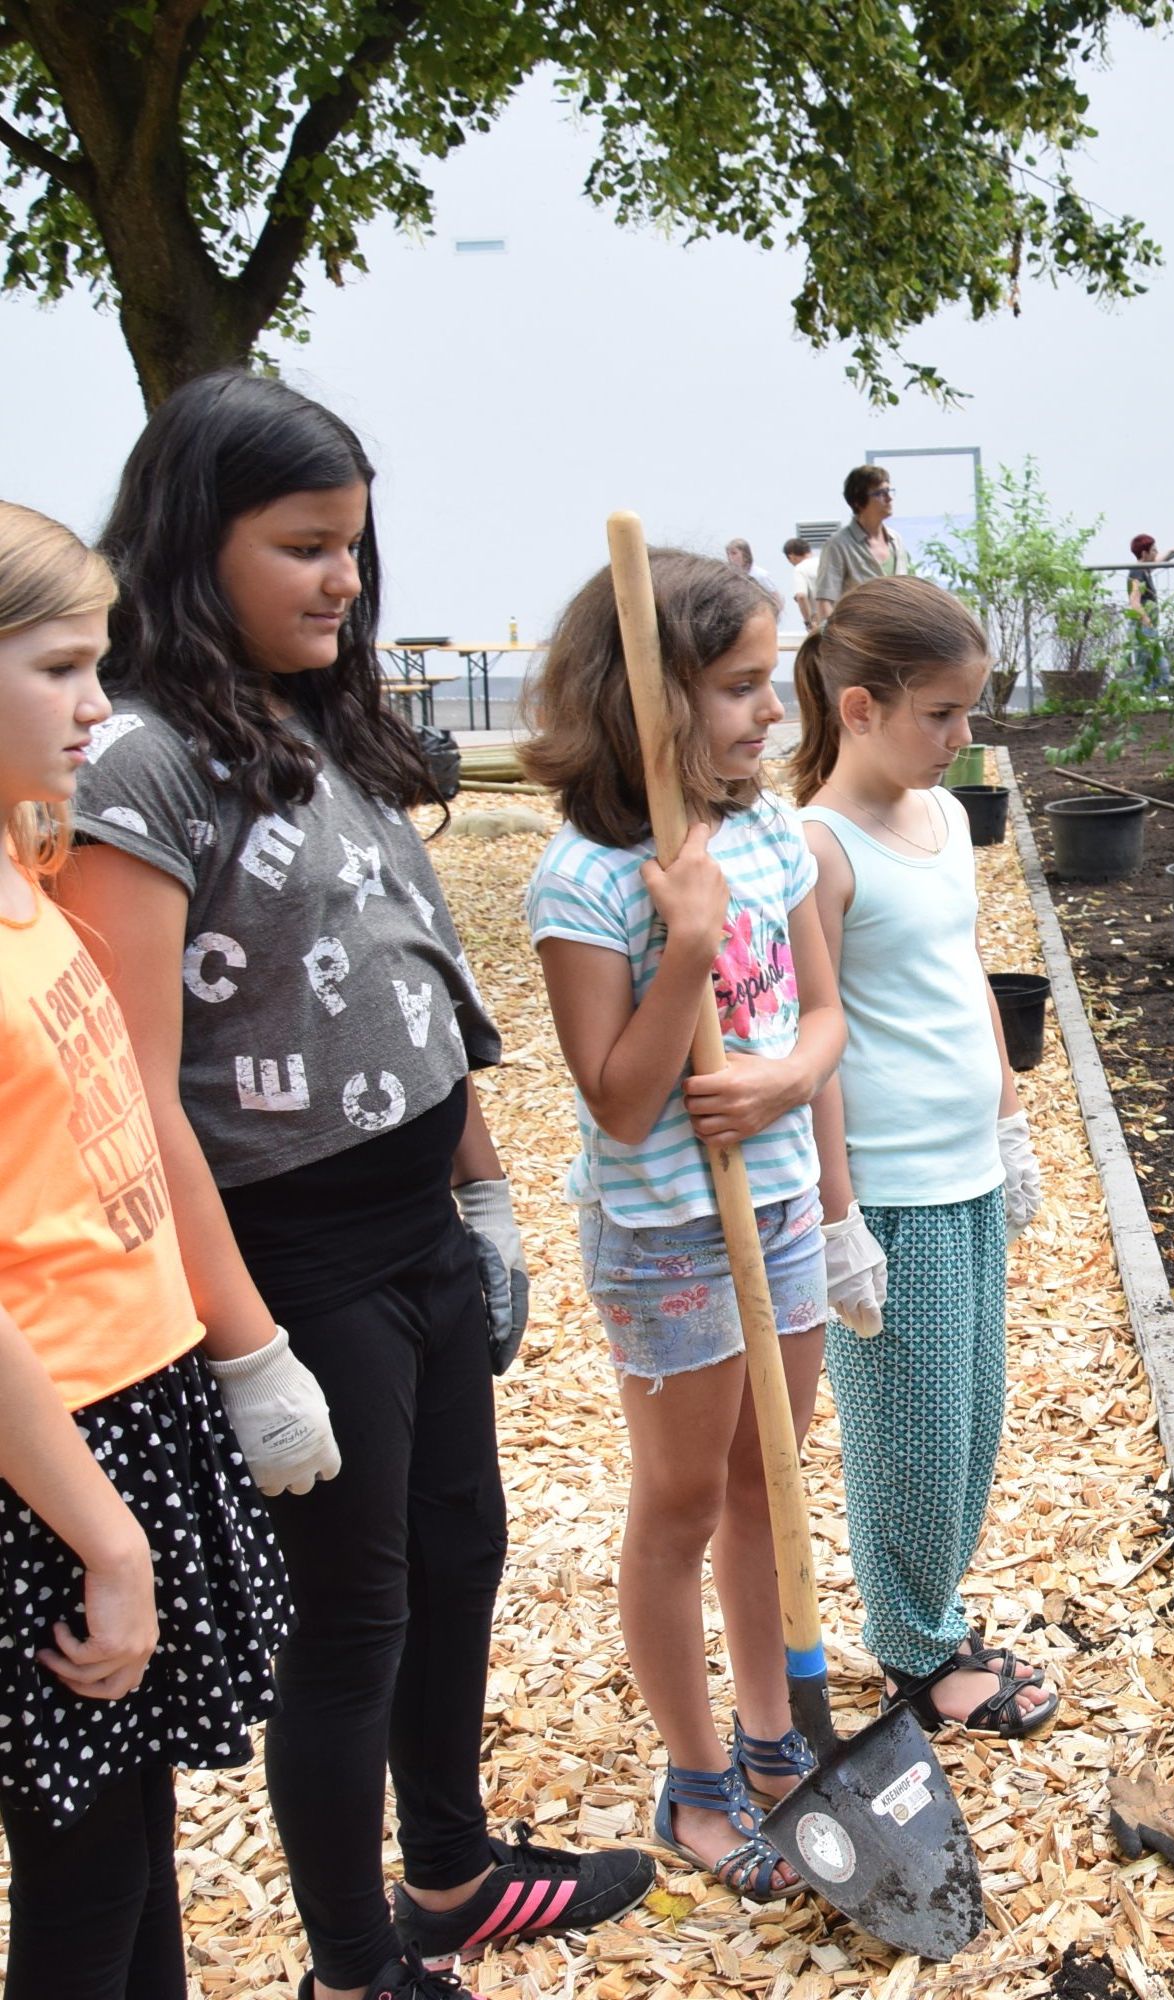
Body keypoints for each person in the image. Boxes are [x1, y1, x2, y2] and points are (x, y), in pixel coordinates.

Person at [61, 372, 654, 2000]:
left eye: (355, 548)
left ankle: (452, 1876)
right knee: (354, 1618)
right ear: (194, 545)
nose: (344, 581)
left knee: (462, 1548)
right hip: (293, 1250)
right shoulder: (145, 765)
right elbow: (129, 1083)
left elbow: (417, 977)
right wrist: (247, 1352)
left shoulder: (324, 723)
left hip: (413, 1229)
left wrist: (483, 1195)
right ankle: (351, 1966)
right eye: (306, 547)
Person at [520, 550, 853, 1899]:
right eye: (736, 688)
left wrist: (780, 1074)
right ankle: (696, 1773)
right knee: (677, 1500)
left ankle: (775, 1739)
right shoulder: (582, 880)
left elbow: (824, 1018)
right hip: (664, 1238)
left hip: (771, 1211)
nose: (768, 714)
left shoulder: (772, 835)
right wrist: (687, 950)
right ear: (645, 703)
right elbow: (618, 1099)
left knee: (763, 1481)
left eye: (768, 683)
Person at [0, 501, 297, 2000]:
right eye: (59, 668)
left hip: (135, 1397)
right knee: (81, 1868)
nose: (99, 705)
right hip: (46, 1456)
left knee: (133, 1834)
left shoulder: (23, 863)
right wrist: (108, 1537)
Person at [790, 576, 1059, 1740]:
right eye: (939, 715)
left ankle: (934, 1615)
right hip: (889, 1188)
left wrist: (1008, 1117)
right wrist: (836, 1214)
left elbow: (964, 977)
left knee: (974, 1416)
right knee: (910, 1429)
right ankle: (913, 1649)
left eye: (969, 712)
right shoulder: (818, 846)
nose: (963, 740)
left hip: (965, 1169)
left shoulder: (945, 819)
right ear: (859, 706)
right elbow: (814, 1039)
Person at [809, 465, 912, 628]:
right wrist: (834, 643)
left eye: (889, 491)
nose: (889, 498)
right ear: (858, 502)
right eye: (880, 493)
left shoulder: (895, 539)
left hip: (895, 635)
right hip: (858, 638)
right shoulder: (838, 545)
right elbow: (825, 601)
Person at [1125, 534, 1165, 689]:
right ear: (1144, 554)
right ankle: (1145, 702)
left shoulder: (1144, 570)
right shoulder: (1137, 572)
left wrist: (1173, 551)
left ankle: (1151, 700)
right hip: (1143, 627)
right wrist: (1147, 620)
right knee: (1146, 668)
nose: (1156, 553)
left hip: (1148, 627)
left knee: (1159, 668)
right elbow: (1134, 602)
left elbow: (1160, 559)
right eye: (1154, 550)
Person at [724, 538, 790, 618]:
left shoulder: (760, 575)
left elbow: (776, 599)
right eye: (728, 554)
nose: (730, 557)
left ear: (745, 554)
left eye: (734, 553)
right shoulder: (730, 575)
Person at [785, 536, 817, 631]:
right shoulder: (826, 562)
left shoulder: (800, 569)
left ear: (791, 556)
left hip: (819, 621)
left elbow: (801, 596)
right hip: (840, 617)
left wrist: (809, 623)